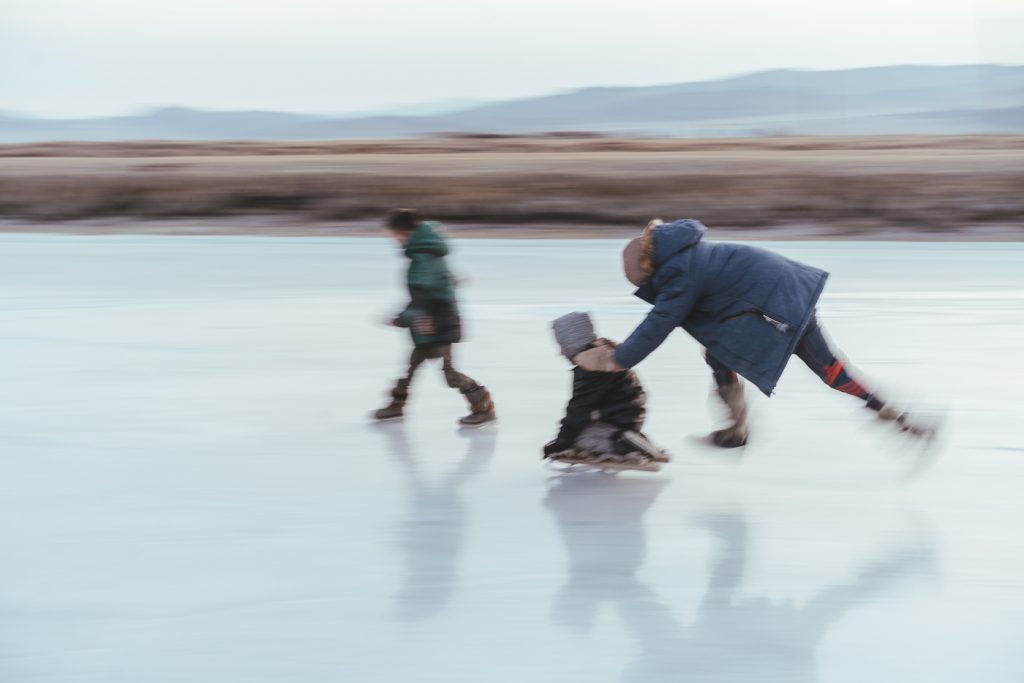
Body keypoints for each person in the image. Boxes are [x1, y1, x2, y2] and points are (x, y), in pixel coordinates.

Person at [572, 218, 931, 446]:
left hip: (777, 307)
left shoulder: (680, 273)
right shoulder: (688, 255)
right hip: (787, 294)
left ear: (650, 270)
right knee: (721, 352)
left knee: (829, 371)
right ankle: (736, 430)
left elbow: (659, 323)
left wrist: (616, 359)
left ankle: (896, 417)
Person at [372, 209, 496, 427]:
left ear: (404, 232)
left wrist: (403, 318)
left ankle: (482, 406)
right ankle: (396, 406)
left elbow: (425, 294)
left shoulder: (423, 257)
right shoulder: (428, 253)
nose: (394, 240)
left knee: (449, 373)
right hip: (430, 322)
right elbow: (449, 283)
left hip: (438, 324)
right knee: (411, 368)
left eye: (395, 235)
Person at [543, 311, 668, 465]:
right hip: (625, 413)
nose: (561, 352)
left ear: (572, 341)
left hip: (615, 416)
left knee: (582, 440)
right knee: (580, 433)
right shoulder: (605, 354)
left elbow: (579, 408)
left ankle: (623, 444)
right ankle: (626, 436)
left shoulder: (591, 364)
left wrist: (561, 443)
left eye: (562, 344)